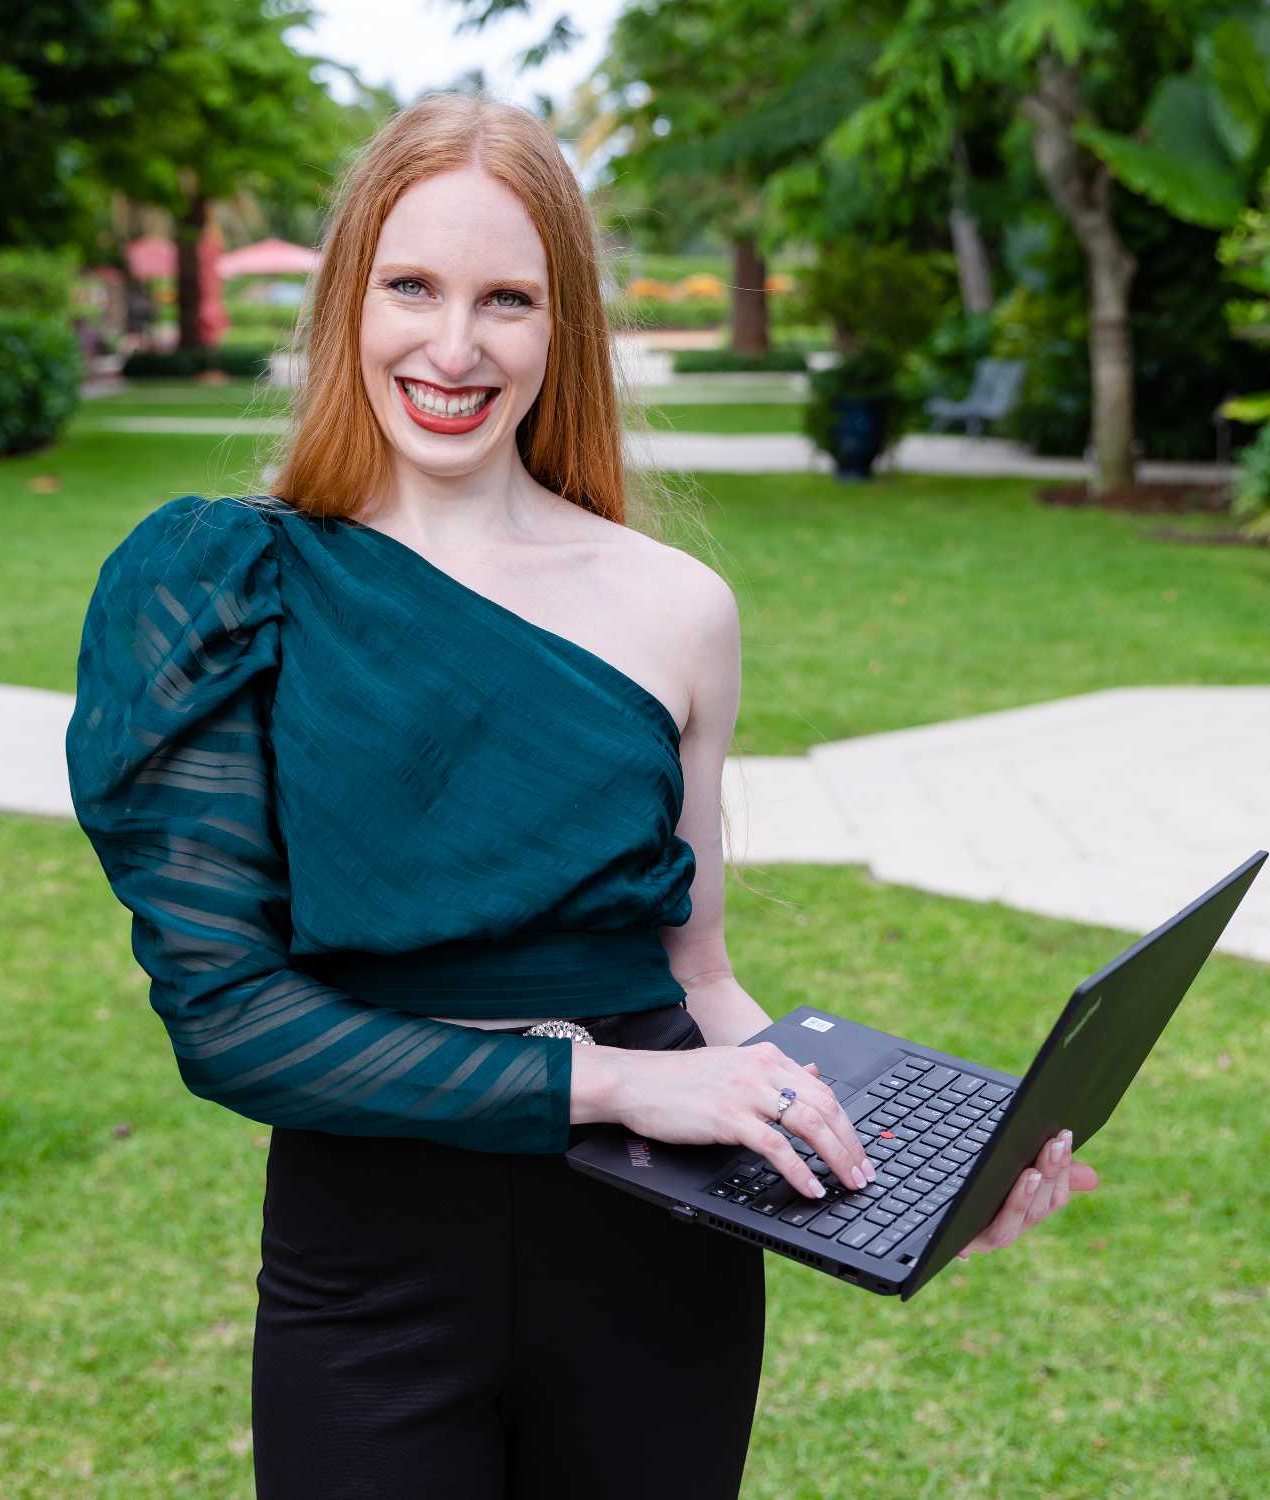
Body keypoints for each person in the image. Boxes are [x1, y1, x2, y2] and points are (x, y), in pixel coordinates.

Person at [64, 91, 1099, 1500]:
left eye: (508, 299)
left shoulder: (680, 608)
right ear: (344, 301)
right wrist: (614, 1082)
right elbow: (230, 1021)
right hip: (370, 1277)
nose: (453, 346)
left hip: (659, 1273)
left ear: (563, 332)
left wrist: (916, 1165)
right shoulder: (219, 586)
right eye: (411, 287)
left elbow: (705, 983)